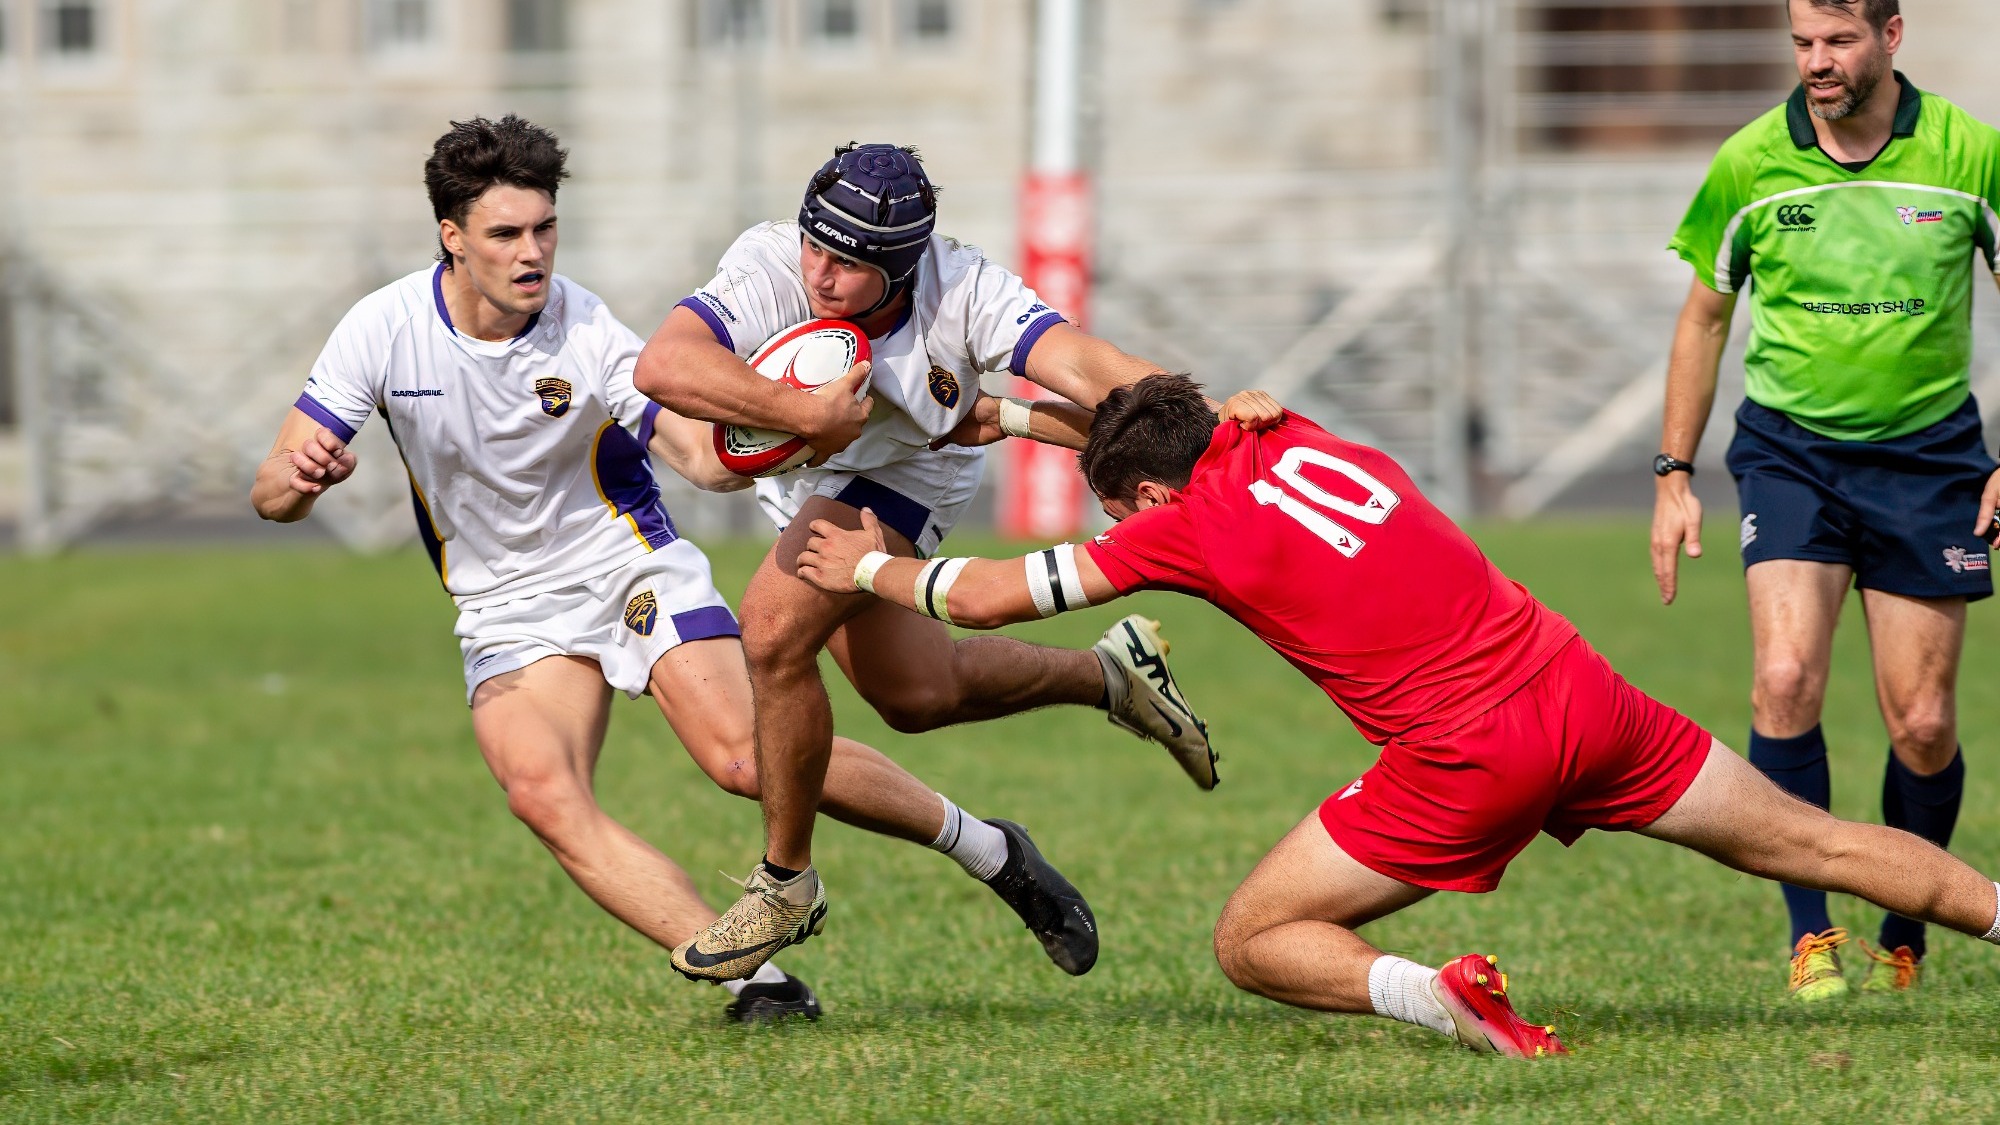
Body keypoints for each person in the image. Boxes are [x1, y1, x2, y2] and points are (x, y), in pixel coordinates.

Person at [796, 373, 2000, 1056]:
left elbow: (988, 596)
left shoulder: (1180, 524)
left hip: (1468, 755)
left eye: (1123, 512)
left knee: (1251, 941)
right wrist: (1009, 417)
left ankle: (1445, 1001)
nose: (1123, 533)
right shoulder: (1285, 428)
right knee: (1822, 843)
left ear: (1152, 496)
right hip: (1579, 690)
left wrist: (863, 568)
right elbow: (1170, 423)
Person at [250, 117, 1101, 1023]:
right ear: (452, 238)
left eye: (544, 228)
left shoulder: (587, 334)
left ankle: (989, 851)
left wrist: (788, 430)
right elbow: (272, 491)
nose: (531, 252)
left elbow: (698, 460)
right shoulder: (379, 329)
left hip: (630, 570)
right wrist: (300, 479)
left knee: (743, 758)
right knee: (544, 795)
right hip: (503, 607)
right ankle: (760, 983)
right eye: (505, 234)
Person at [638, 143, 1211, 980]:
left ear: (903, 267)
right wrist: (804, 413)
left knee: (769, 628)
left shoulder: (965, 289)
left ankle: (785, 882)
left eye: (848, 263)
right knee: (918, 694)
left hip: (908, 473)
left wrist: (1210, 420)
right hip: (814, 474)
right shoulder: (770, 262)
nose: (820, 274)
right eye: (815, 248)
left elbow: (1079, 363)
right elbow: (665, 364)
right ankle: (1111, 676)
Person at [1652, 0, 2000, 1000]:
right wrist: (1672, 475)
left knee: (1921, 724)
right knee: (1783, 679)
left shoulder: (1968, 154)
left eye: (1837, 41)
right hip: (1788, 455)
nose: (1815, 62)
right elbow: (1703, 319)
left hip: (1930, 461)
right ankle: (1810, 935)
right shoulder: (1750, 162)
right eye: (1801, 42)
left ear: (1889, 38)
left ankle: (1907, 917)